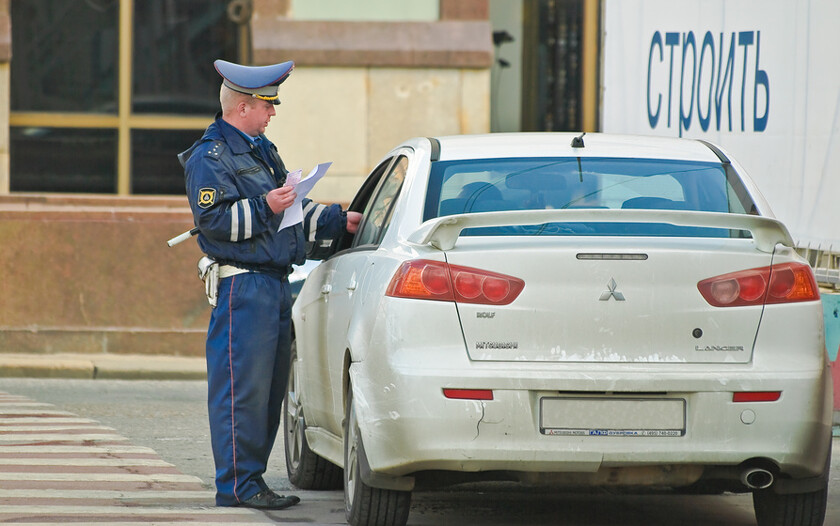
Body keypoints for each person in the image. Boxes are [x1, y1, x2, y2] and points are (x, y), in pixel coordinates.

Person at [180, 59, 362, 510]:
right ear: (243, 107)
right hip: (244, 288)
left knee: (269, 392)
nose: (273, 112)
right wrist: (265, 205)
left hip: (274, 284)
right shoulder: (211, 157)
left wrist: (341, 221)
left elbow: (291, 210)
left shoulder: (261, 149)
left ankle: (252, 480)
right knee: (244, 391)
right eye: (268, 104)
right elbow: (214, 222)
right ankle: (238, 486)